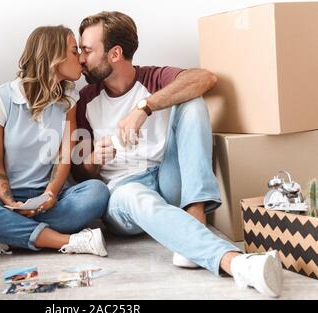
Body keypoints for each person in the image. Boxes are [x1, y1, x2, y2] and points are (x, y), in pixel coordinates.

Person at [71, 11, 283, 297]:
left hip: (167, 179)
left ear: (115, 53)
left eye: (87, 50)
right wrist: (93, 159)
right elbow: (79, 171)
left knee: (192, 103)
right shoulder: (84, 100)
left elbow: (205, 78)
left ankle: (195, 221)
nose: (81, 58)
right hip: (124, 193)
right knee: (134, 196)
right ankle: (238, 263)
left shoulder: (153, 78)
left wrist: (144, 108)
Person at [0, 25, 110, 263]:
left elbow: (65, 156)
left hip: (51, 199)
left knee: (97, 192)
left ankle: (3, 236)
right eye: (74, 51)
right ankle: (66, 241)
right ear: (53, 56)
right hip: (5, 202)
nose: (81, 59)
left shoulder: (69, 99)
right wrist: (11, 204)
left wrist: (50, 193)